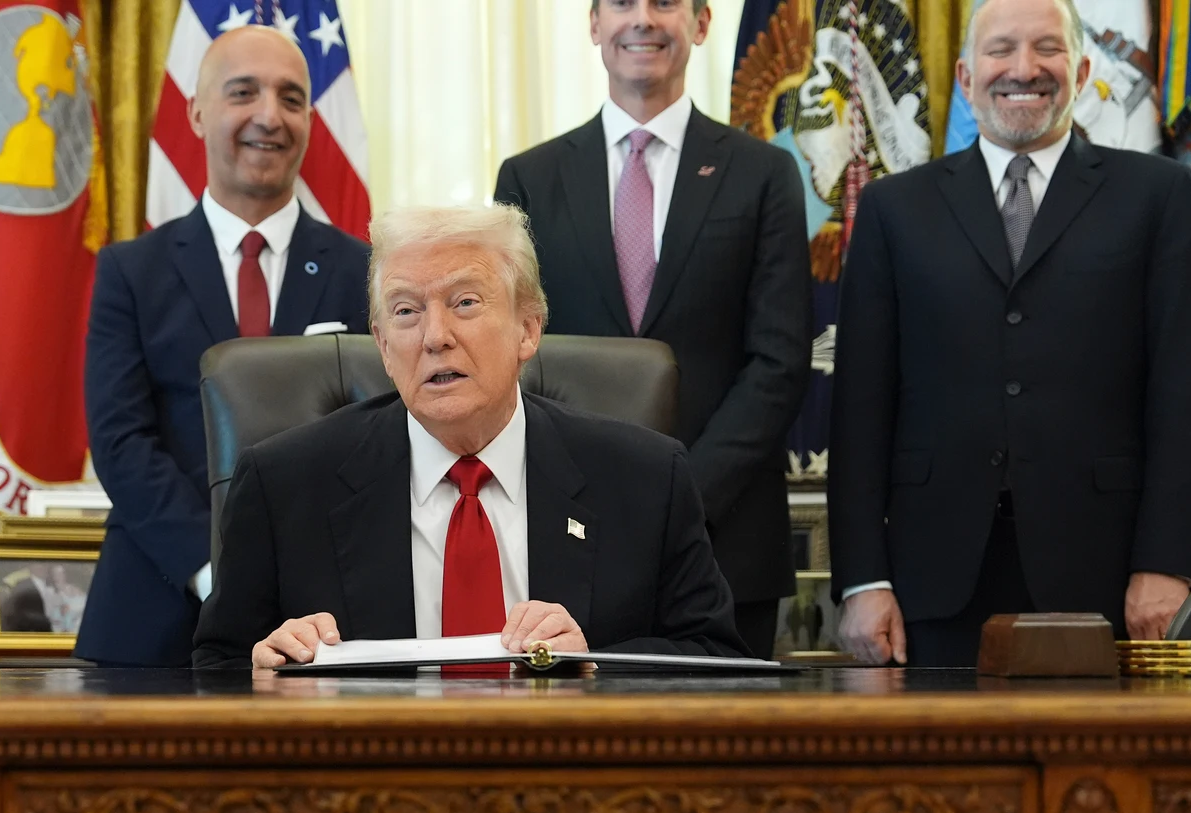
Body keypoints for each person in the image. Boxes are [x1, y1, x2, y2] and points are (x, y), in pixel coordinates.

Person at [828, 0, 1191, 668]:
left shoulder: (1160, 194)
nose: (1024, 68)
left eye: (1048, 48)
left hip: (1109, 575)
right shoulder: (897, 209)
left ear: (1085, 68)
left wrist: (1168, 561)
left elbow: (1187, 394)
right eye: (1001, 49)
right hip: (933, 582)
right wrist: (864, 579)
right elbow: (861, 409)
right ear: (964, 74)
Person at [192, 204, 746, 670]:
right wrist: (265, 673)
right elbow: (217, 671)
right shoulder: (285, 485)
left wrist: (594, 669)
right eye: (407, 312)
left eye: (465, 303)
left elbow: (715, 659)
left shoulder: (645, 477)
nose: (435, 337)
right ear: (383, 347)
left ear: (528, 328)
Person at [493, 0, 811, 660]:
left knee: (724, 758)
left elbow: (778, 361)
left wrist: (678, 496)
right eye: (622, 4)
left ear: (699, 24)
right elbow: (510, 354)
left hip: (728, 540)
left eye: (665, 3)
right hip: (566, 530)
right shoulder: (528, 179)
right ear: (593, 24)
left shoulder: (765, 174)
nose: (643, 20)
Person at [79, 25, 371, 668]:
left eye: (292, 98)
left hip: (326, 620)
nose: (270, 115)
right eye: (244, 92)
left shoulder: (367, 273)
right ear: (197, 110)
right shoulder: (131, 272)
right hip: (155, 610)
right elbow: (122, 442)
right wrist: (215, 572)